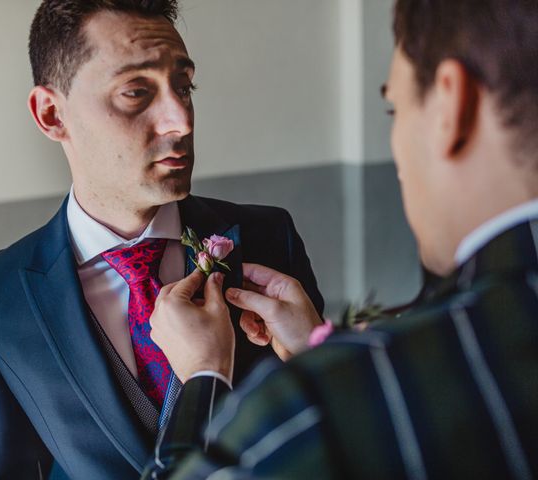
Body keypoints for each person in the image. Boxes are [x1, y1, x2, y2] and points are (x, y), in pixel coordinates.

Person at [142, 0, 538, 478]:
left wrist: (203, 374)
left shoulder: (330, 400)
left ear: (451, 107)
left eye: (395, 108)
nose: (182, 122)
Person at [0, 1, 323, 478]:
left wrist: (318, 362)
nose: (181, 122)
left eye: (184, 87)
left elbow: (326, 450)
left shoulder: (269, 240)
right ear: (51, 114)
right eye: (135, 92)